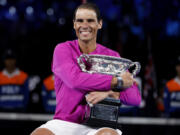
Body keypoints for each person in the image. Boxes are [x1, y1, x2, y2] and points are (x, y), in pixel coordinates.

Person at [31, 3, 141, 135]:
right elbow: (75, 80)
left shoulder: (112, 56)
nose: (84, 25)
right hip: (65, 123)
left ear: (99, 24)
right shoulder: (63, 50)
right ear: (74, 24)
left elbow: (135, 98)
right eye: (80, 21)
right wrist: (115, 83)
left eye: (90, 20)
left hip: (101, 125)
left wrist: (109, 93)